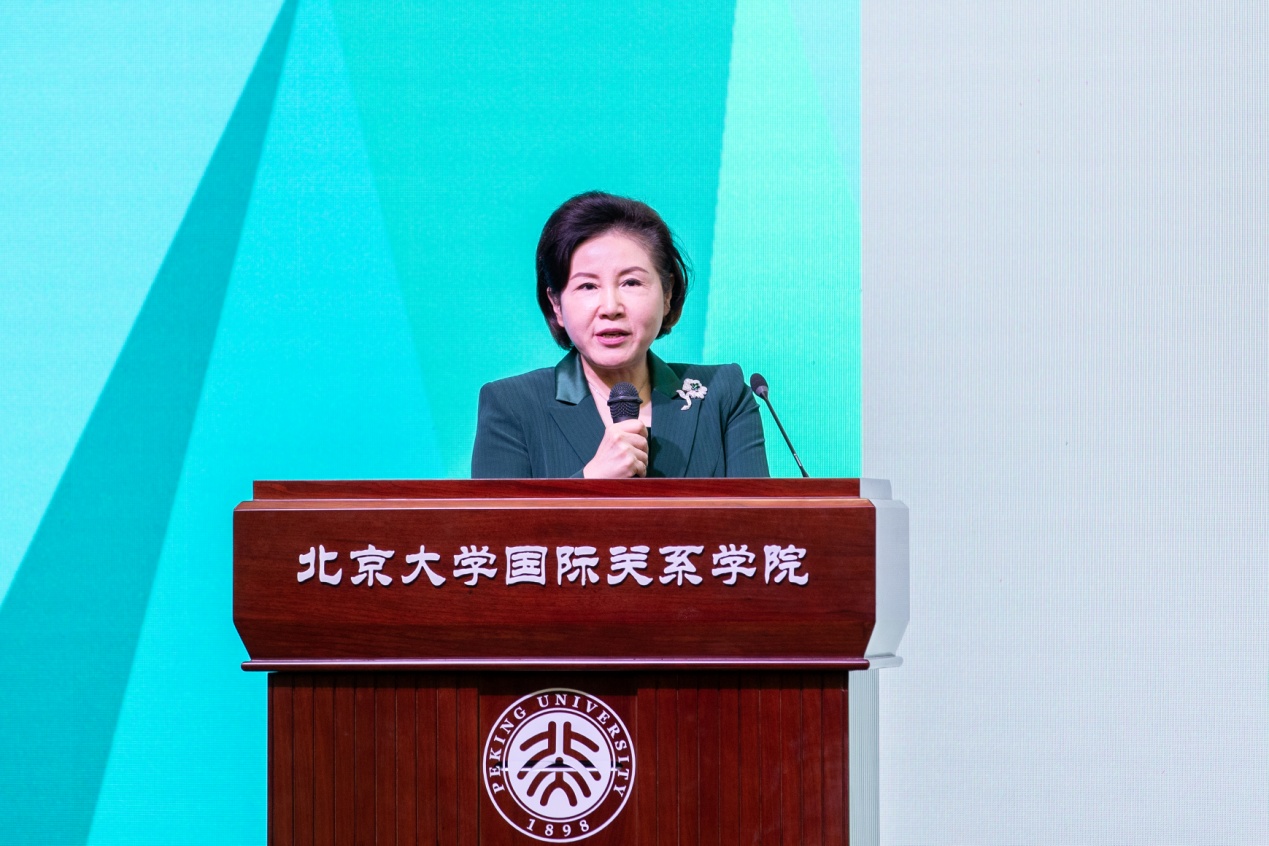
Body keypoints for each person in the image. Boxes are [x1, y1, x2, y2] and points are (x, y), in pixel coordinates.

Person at [471, 191, 769, 479]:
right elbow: (500, 517)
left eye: (631, 283)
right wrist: (591, 481)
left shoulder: (722, 395)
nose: (611, 308)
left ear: (667, 294)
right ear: (556, 304)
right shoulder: (512, 406)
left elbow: (756, 514)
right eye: (588, 286)